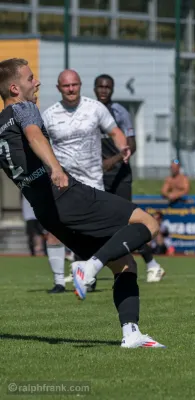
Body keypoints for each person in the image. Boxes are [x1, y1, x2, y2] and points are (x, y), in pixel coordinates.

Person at [0, 58, 165, 348]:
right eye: (30, 79)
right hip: (67, 195)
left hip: (47, 212)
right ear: (14, 88)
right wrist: (56, 167)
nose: (36, 82)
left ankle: (131, 333)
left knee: (125, 264)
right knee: (148, 223)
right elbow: (34, 133)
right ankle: (88, 267)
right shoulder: (23, 108)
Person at [41, 69, 129, 294]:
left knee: (99, 232)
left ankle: (92, 273)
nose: (71, 89)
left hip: (92, 181)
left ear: (80, 85)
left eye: (74, 85)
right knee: (54, 228)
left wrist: (123, 146)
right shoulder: (49, 115)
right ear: (59, 88)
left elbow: (115, 131)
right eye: (66, 86)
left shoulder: (95, 108)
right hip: (64, 183)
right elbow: (38, 143)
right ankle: (59, 282)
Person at [94, 74, 166, 283]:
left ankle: (152, 264)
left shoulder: (120, 112)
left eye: (108, 87)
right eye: (100, 86)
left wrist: (112, 161)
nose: (104, 90)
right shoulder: (89, 111)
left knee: (126, 222)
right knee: (95, 221)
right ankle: (86, 268)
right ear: (95, 88)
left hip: (120, 175)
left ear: (113, 89)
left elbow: (131, 145)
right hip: (97, 176)